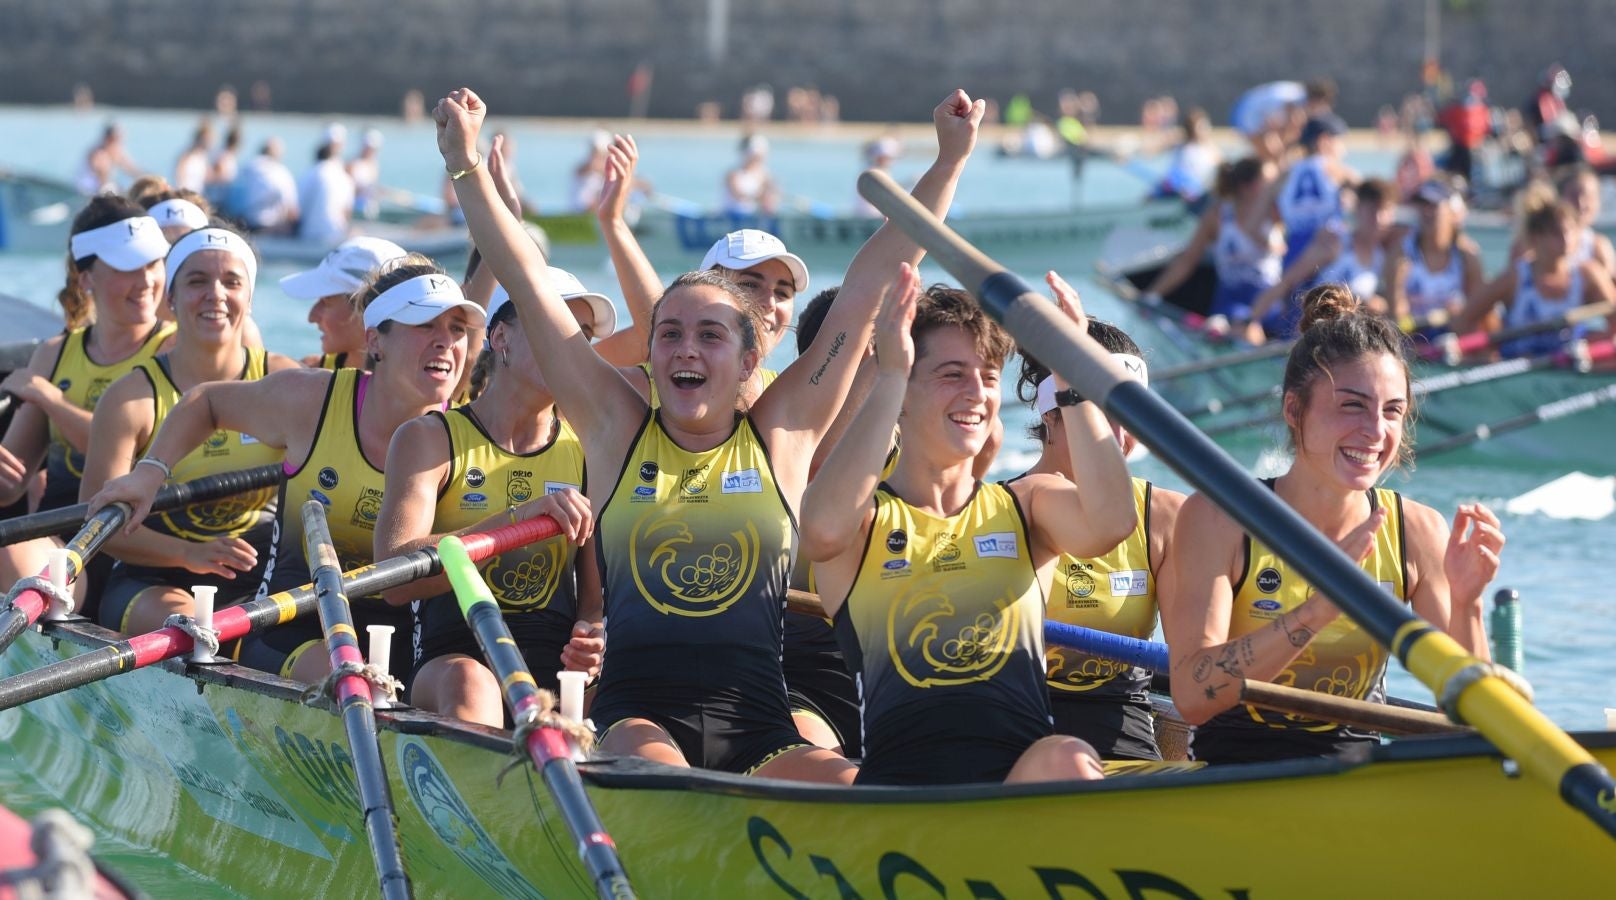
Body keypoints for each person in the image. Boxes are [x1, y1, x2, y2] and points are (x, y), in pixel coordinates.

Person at [435, 85, 982, 781]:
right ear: (651, 353)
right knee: (671, 781)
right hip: (636, 719)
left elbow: (871, 279)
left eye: (710, 335)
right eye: (669, 334)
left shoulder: (785, 431)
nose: (685, 349)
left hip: (761, 725)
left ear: (750, 359)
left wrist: (949, 160)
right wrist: (465, 162)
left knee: (854, 788)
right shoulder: (613, 427)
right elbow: (526, 277)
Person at [88, 255, 486, 683]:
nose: (446, 342)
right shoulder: (311, 400)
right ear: (375, 341)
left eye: (457, 329)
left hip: (412, 638)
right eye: (425, 325)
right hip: (293, 628)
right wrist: (150, 472)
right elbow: (206, 402)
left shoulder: (472, 428)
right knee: (353, 680)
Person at [801, 273, 1131, 785]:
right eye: (952, 374)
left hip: (1013, 789)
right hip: (902, 793)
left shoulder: (1028, 505)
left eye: (989, 377)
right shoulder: (862, 522)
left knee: (1067, 755)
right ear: (903, 390)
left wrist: (1073, 378)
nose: (976, 392)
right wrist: (889, 376)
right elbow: (819, 532)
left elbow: (1112, 521)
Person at [1160, 284, 1503, 765]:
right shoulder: (1220, 518)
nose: (1376, 431)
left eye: (1392, 411)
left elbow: (1476, 717)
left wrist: (1468, 603)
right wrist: (1317, 611)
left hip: (1356, 775)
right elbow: (1193, 697)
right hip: (1237, 773)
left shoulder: (1417, 531)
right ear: (1294, 409)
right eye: (1353, 405)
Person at [375, 278, 606, 726]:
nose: (569, 348)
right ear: (500, 338)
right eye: (552, 326)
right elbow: (392, 579)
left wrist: (591, 638)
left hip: (553, 663)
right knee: (472, 683)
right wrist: (516, 521)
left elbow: (592, 605)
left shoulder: (589, 449)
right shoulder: (429, 439)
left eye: (581, 337)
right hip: (452, 655)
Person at [79, 225, 298, 635]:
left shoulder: (283, 379)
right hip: (155, 580)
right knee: (200, 629)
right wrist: (188, 553)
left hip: (265, 574)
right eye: (197, 281)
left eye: (231, 282)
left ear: (249, 298)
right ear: (170, 299)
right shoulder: (130, 397)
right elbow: (97, 527)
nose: (216, 293)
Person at [1008, 317, 1184, 761]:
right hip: (1013, 730)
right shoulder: (998, 509)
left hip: (1122, 730)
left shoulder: (1165, 516)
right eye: (1102, 413)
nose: (1120, 438)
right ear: (1052, 412)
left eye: (1130, 414)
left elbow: (1194, 664)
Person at [0, 197, 174, 605]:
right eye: (128, 267)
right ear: (85, 279)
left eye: (154, 263)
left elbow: (128, 459)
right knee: (11, 551)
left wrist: (53, 401)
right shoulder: (54, 354)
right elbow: (9, 485)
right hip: (60, 540)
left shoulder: (177, 350)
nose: (147, 280)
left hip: (136, 545)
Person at [1455, 201, 1615, 357]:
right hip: (1518, 361)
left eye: (1570, 231)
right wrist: (1486, 356)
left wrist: (1592, 346)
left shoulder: (1589, 274)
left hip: (1568, 362)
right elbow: (1464, 320)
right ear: (1536, 238)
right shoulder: (1515, 277)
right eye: (1556, 233)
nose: (1566, 239)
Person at [1247, 178, 1398, 341]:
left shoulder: (1383, 257)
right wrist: (1252, 321)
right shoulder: (1334, 243)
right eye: (1372, 211)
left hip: (1346, 340)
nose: (1378, 219)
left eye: (1384, 211)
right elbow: (1287, 282)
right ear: (1358, 209)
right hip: (1309, 335)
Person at [1144, 158, 1284, 328]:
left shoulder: (1276, 214)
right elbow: (1187, 260)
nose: (1277, 188)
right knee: (1230, 325)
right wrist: (1152, 295)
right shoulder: (1218, 215)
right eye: (1270, 182)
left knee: (1250, 326)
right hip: (1229, 299)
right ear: (1247, 187)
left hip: (1267, 299)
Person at [278, 236, 409, 369]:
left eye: (326, 302)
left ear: (366, 310)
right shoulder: (308, 371)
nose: (312, 317)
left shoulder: (309, 375)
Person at [1383, 178, 1485, 325]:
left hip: (1454, 334)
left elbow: (1478, 312)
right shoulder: (1400, 253)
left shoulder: (1467, 255)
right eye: (1423, 205)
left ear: (1452, 211)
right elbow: (1397, 315)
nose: (1427, 212)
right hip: (1413, 335)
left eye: (1433, 206)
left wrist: (1461, 313)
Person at [1274, 114, 1355, 278]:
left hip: (1293, 252)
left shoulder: (1286, 174)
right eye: (1340, 142)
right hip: (1326, 253)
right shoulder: (1339, 172)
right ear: (1324, 141)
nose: (1343, 150)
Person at [1153, 108, 1221, 207]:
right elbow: (1176, 176)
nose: (1206, 129)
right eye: (1201, 127)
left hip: (1204, 195)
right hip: (1188, 195)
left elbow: (1221, 170)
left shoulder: (1212, 149)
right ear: (1192, 129)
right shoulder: (1184, 150)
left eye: (1206, 126)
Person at [298, 126, 355, 245]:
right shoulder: (345, 176)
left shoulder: (311, 172)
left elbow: (297, 209)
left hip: (309, 236)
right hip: (336, 236)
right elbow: (347, 213)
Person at [234, 138, 299, 234]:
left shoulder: (247, 166)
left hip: (246, 224)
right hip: (269, 228)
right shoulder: (282, 172)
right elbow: (292, 211)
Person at [723, 134, 780, 219]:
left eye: (760, 157)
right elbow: (738, 195)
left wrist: (773, 196)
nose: (757, 160)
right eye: (755, 156)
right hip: (733, 217)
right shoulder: (733, 174)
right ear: (746, 154)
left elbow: (774, 197)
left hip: (754, 217)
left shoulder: (765, 175)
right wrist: (759, 196)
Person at [76, 122, 141, 195]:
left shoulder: (117, 151)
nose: (119, 142)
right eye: (116, 139)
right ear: (108, 139)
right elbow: (102, 180)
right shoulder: (99, 154)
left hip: (99, 188)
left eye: (120, 139)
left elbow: (133, 170)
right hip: (87, 190)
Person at [348, 128, 384, 221]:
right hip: (355, 207)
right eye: (368, 147)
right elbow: (348, 190)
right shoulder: (353, 164)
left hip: (369, 207)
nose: (370, 151)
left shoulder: (374, 164)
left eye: (373, 149)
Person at [173, 121, 214, 194]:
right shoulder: (186, 156)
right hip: (186, 194)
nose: (210, 143)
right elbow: (179, 176)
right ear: (200, 139)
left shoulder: (203, 157)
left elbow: (209, 177)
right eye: (208, 140)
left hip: (198, 194)